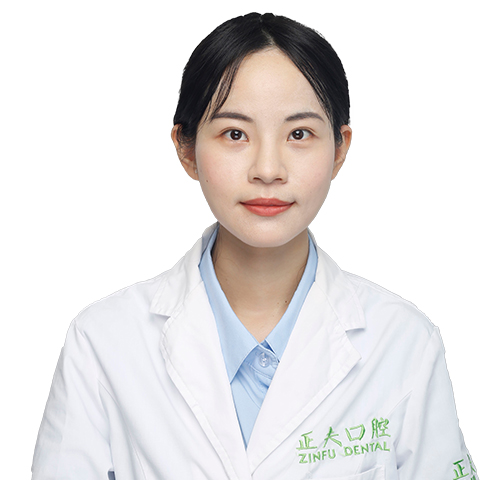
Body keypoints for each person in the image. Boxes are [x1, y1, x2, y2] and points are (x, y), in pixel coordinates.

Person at [31, 12, 478, 480]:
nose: (268, 169)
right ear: (186, 149)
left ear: (339, 149)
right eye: (235, 134)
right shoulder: (102, 343)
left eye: (299, 134)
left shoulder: (405, 343)